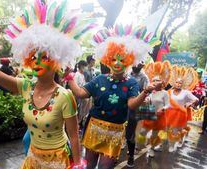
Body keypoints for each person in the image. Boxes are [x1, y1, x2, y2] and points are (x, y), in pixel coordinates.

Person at [0, 0, 95, 168]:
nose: (37, 62)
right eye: (33, 57)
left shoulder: (64, 96)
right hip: (33, 158)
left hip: (57, 161)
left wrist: (77, 165)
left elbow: (74, 136)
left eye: (45, 57)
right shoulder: (26, 86)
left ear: (56, 59)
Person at [65, 25, 161, 168]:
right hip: (94, 129)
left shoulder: (131, 82)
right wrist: (68, 76)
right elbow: (80, 93)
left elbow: (132, 104)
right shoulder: (100, 79)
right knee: (89, 166)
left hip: (115, 133)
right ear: (108, 59)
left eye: (122, 60)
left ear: (129, 61)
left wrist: (145, 91)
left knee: (106, 166)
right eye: (114, 59)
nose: (117, 63)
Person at [137, 61, 171, 158]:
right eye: (154, 80)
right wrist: (146, 100)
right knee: (143, 132)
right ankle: (139, 146)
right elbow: (145, 100)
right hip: (149, 114)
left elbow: (168, 104)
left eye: (158, 80)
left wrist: (163, 109)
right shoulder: (150, 91)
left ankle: (151, 149)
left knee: (155, 135)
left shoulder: (164, 93)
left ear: (162, 82)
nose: (155, 82)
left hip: (160, 116)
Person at [166, 65, 199, 152]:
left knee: (176, 130)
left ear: (183, 84)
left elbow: (196, 99)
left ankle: (174, 143)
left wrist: (189, 104)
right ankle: (162, 144)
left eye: (180, 83)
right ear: (174, 83)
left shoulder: (186, 92)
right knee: (166, 129)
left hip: (180, 114)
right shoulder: (169, 91)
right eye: (177, 82)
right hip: (169, 113)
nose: (178, 84)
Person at [125, 62, 149, 164]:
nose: (137, 67)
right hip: (123, 106)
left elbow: (146, 93)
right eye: (135, 65)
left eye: (139, 65)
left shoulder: (144, 77)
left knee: (133, 132)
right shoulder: (126, 74)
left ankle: (131, 155)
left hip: (136, 107)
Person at [74, 60, 89, 126]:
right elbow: (75, 87)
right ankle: (77, 124)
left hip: (82, 97)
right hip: (77, 97)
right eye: (85, 66)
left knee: (81, 111)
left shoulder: (82, 75)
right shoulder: (77, 75)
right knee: (77, 112)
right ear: (82, 66)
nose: (86, 68)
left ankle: (79, 123)